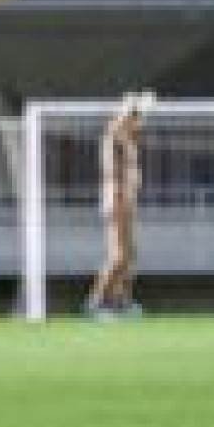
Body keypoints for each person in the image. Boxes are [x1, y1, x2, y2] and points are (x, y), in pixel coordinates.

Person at [85, 91, 147, 320]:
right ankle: (96, 303)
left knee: (130, 256)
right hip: (116, 198)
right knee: (118, 255)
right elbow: (116, 128)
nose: (138, 121)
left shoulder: (129, 139)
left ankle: (121, 301)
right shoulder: (113, 135)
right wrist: (131, 104)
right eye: (135, 116)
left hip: (127, 198)